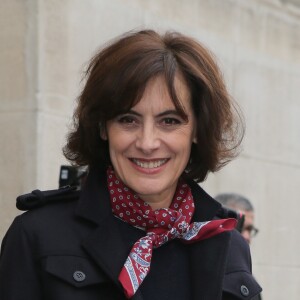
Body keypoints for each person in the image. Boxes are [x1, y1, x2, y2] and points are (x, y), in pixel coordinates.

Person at [0, 29, 262, 299]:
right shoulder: (37, 235)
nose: (147, 143)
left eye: (169, 121)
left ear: (197, 130)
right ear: (103, 128)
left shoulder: (229, 244)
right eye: (128, 119)